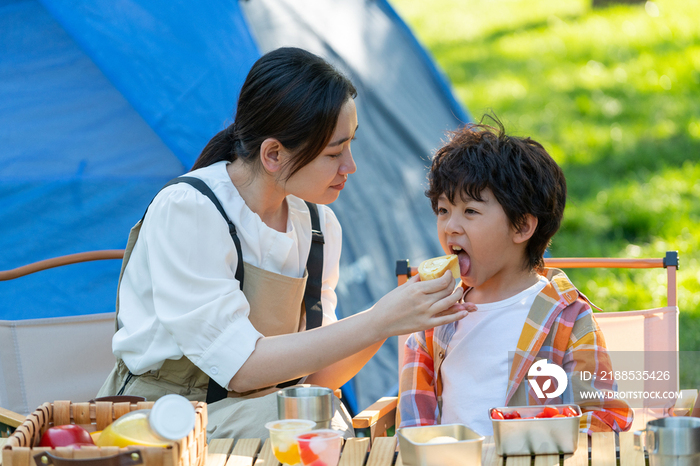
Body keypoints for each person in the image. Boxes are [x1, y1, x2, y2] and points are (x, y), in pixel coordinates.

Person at [96, 47, 472, 440]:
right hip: (165, 421)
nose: (350, 167)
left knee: (319, 420)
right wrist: (380, 318)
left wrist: (395, 320)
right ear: (273, 154)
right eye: (333, 152)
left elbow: (315, 376)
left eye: (350, 145)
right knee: (316, 431)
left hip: (264, 414)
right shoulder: (191, 211)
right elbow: (242, 367)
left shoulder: (317, 225)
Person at [398, 117, 634, 436]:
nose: (450, 226)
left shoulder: (568, 319)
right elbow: (416, 422)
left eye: (470, 211)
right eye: (443, 210)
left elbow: (605, 417)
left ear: (522, 226)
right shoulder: (432, 320)